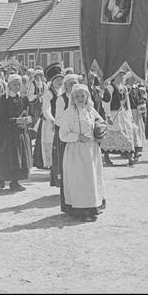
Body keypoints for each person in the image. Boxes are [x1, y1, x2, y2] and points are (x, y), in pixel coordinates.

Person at [59, 84, 107, 221]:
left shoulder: (91, 111)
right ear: (72, 98)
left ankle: (93, 206)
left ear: (87, 97)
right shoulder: (68, 113)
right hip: (75, 151)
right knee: (79, 180)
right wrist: (78, 137)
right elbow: (62, 135)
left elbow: (101, 122)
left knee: (91, 179)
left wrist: (99, 130)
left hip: (91, 150)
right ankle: (81, 210)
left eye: (82, 96)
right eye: (77, 96)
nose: (80, 98)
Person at [0, 74, 33, 191]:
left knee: (19, 157)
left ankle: (14, 181)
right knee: (7, 156)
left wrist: (28, 120)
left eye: (19, 84)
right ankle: (0, 177)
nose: (17, 86)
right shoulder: (3, 99)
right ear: (9, 85)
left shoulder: (24, 98)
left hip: (20, 132)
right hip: (6, 133)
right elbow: (1, 118)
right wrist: (16, 120)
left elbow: (30, 114)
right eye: (14, 84)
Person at [101, 69, 137, 166]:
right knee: (110, 135)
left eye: (122, 76)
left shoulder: (125, 88)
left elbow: (127, 103)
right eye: (118, 76)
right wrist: (108, 116)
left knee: (127, 135)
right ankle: (106, 156)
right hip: (114, 114)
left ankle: (130, 157)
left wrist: (130, 115)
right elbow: (106, 102)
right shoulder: (110, 87)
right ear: (114, 76)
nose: (120, 78)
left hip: (123, 114)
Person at [51, 73, 79, 187]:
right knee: (64, 160)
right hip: (65, 134)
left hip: (78, 133)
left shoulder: (81, 97)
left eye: (75, 83)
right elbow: (58, 119)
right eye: (70, 84)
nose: (73, 86)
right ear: (66, 86)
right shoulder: (61, 99)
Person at [35, 63, 63, 171]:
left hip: (61, 122)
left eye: (61, 79)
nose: (60, 82)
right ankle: (52, 166)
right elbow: (46, 109)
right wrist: (52, 120)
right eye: (57, 80)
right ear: (52, 81)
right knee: (51, 143)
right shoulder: (48, 93)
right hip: (50, 123)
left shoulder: (62, 91)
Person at [125, 72, 145, 160]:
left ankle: (138, 148)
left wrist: (141, 109)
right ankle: (130, 149)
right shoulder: (125, 89)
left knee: (138, 129)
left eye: (134, 78)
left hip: (137, 112)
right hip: (128, 112)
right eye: (131, 78)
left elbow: (140, 99)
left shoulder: (136, 89)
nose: (133, 80)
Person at [27, 69, 46, 133]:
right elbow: (29, 96)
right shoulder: (32, 84)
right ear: (35, 76)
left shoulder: (44, 84)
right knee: (33, 120)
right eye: (38, 75)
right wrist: (36, 96)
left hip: (42, 105)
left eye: (41, 76)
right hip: (34, 105)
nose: (40, 77)